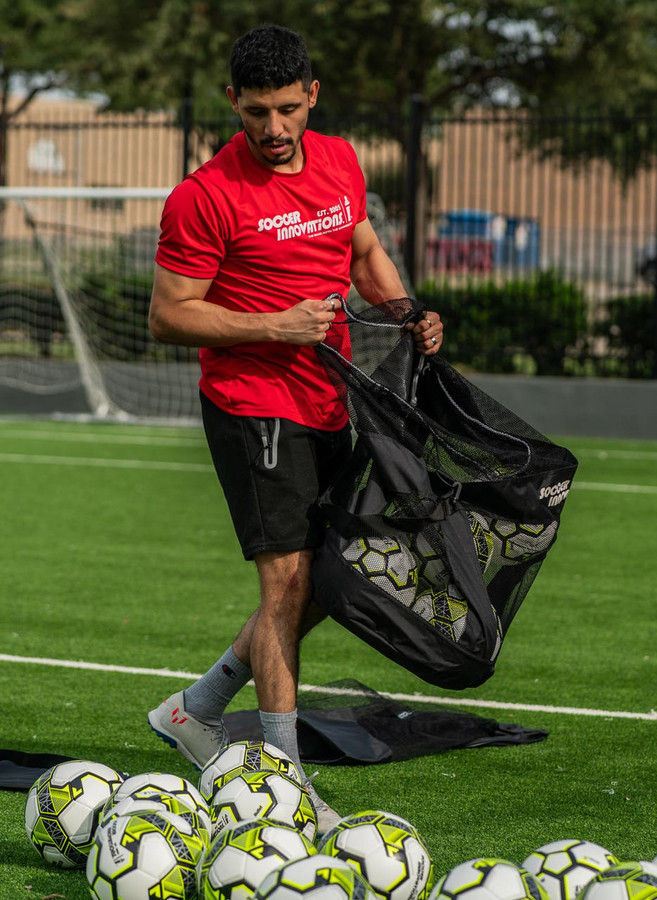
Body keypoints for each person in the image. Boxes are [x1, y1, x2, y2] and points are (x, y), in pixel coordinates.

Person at [145, 24, 443, 834]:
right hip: (252, 403)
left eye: (286, 109)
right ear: (232, 103)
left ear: (312, 95)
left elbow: (365, 251)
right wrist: (278, 327)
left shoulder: (342, 161)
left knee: (333, 576)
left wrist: (404, 307)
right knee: (284, 586)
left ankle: (194, 710)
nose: (273, 130)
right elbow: (170, 317)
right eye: (255, 113)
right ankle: (282, 780)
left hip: (330, 398)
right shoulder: (205, 194)